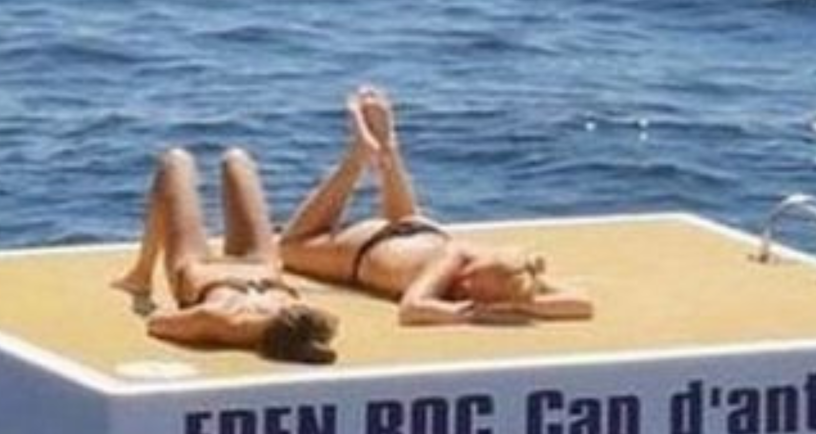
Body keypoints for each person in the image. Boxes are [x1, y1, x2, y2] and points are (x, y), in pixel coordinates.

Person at [279, 86, 595, 326]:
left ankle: (389, 150)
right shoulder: (455, 258)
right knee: (290, 246)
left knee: (403, 218)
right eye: (467, 281)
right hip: (366, 248)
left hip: (415, 229)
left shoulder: (513, 276)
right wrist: (471, 313)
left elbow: (582, 303)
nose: (463, 285)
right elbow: (412, 309)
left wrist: (523, 306)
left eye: (470, 290)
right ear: (474, 266)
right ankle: (357, 159)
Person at [111, 147, 339, 364]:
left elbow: (157, 324)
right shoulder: (224, 320)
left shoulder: (293, 315)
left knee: (230, 159)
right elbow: (158, 323)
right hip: (209, 272)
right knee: (177, 163)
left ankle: (141, 274)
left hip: (256, 267)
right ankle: (140, 277)